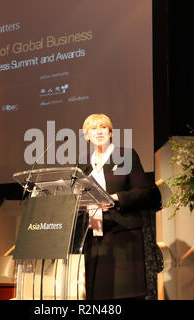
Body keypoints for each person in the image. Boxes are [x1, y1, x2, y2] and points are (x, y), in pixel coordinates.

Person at [78, 113, 163, 300]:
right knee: (99, 298)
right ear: (87, 136)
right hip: (95, 239)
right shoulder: (83, 166)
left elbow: (146, 192)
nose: (98, 131)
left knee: (126, 295)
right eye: (93, 128)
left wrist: (117, 197)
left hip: (124, 237)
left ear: (110, 133)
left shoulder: (125, 156)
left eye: (102, 127)